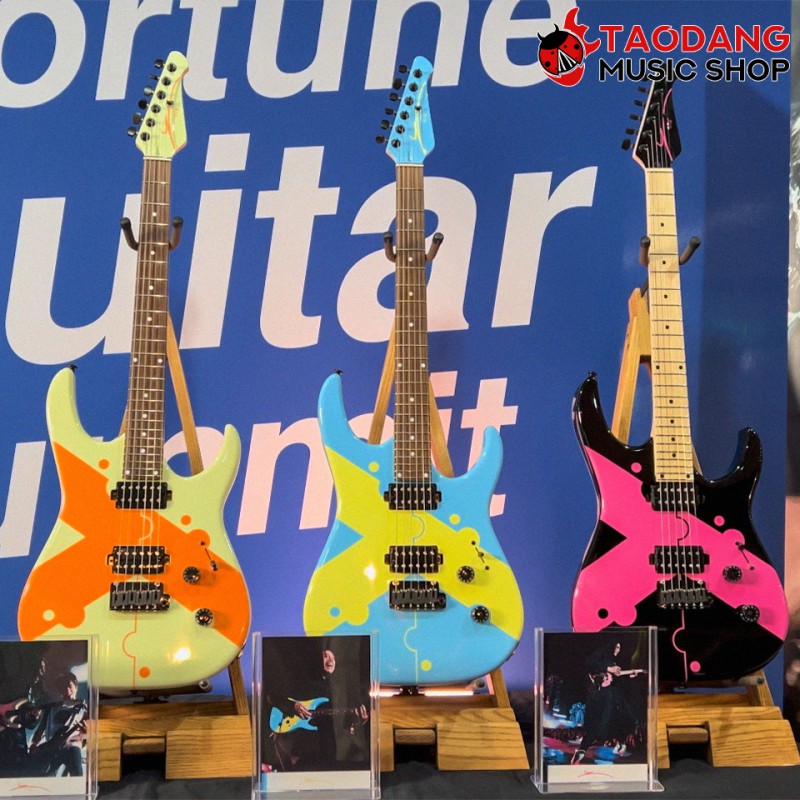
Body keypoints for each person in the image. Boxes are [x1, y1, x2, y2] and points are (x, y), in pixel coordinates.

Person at [265, 642, 369, 773]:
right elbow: (272, 696)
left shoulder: (338, 693)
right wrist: (293, 706)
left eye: (333, 658)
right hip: (300, 756)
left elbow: (346, 733)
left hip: (327, 760)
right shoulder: (301, 682)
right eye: (326, 656)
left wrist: (357, 725)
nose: (330, 660)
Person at [571, 641, 643, 765]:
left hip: (610, 695)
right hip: (598, 696)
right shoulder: (601, 654)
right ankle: (581, 751)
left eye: (620, 648)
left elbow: (616, 679)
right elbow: (589, 662)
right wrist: (608, 669)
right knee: (597, 725)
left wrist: (629, 675)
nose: (618, 650)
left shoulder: (612, 661)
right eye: (617, 647)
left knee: (624, 717)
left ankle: (620, 743)